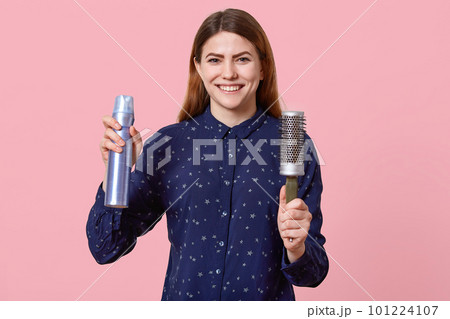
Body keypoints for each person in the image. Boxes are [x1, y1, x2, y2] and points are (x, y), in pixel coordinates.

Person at [87, 8, 328, 301]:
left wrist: (297, 246)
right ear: (199, 68)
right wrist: (117, 171)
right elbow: (105, 247)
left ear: (263, 68)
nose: (228, 73)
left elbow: (314, 274)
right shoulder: (166, 145)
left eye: (242, 59)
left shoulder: (293, 144)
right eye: (215, 60)